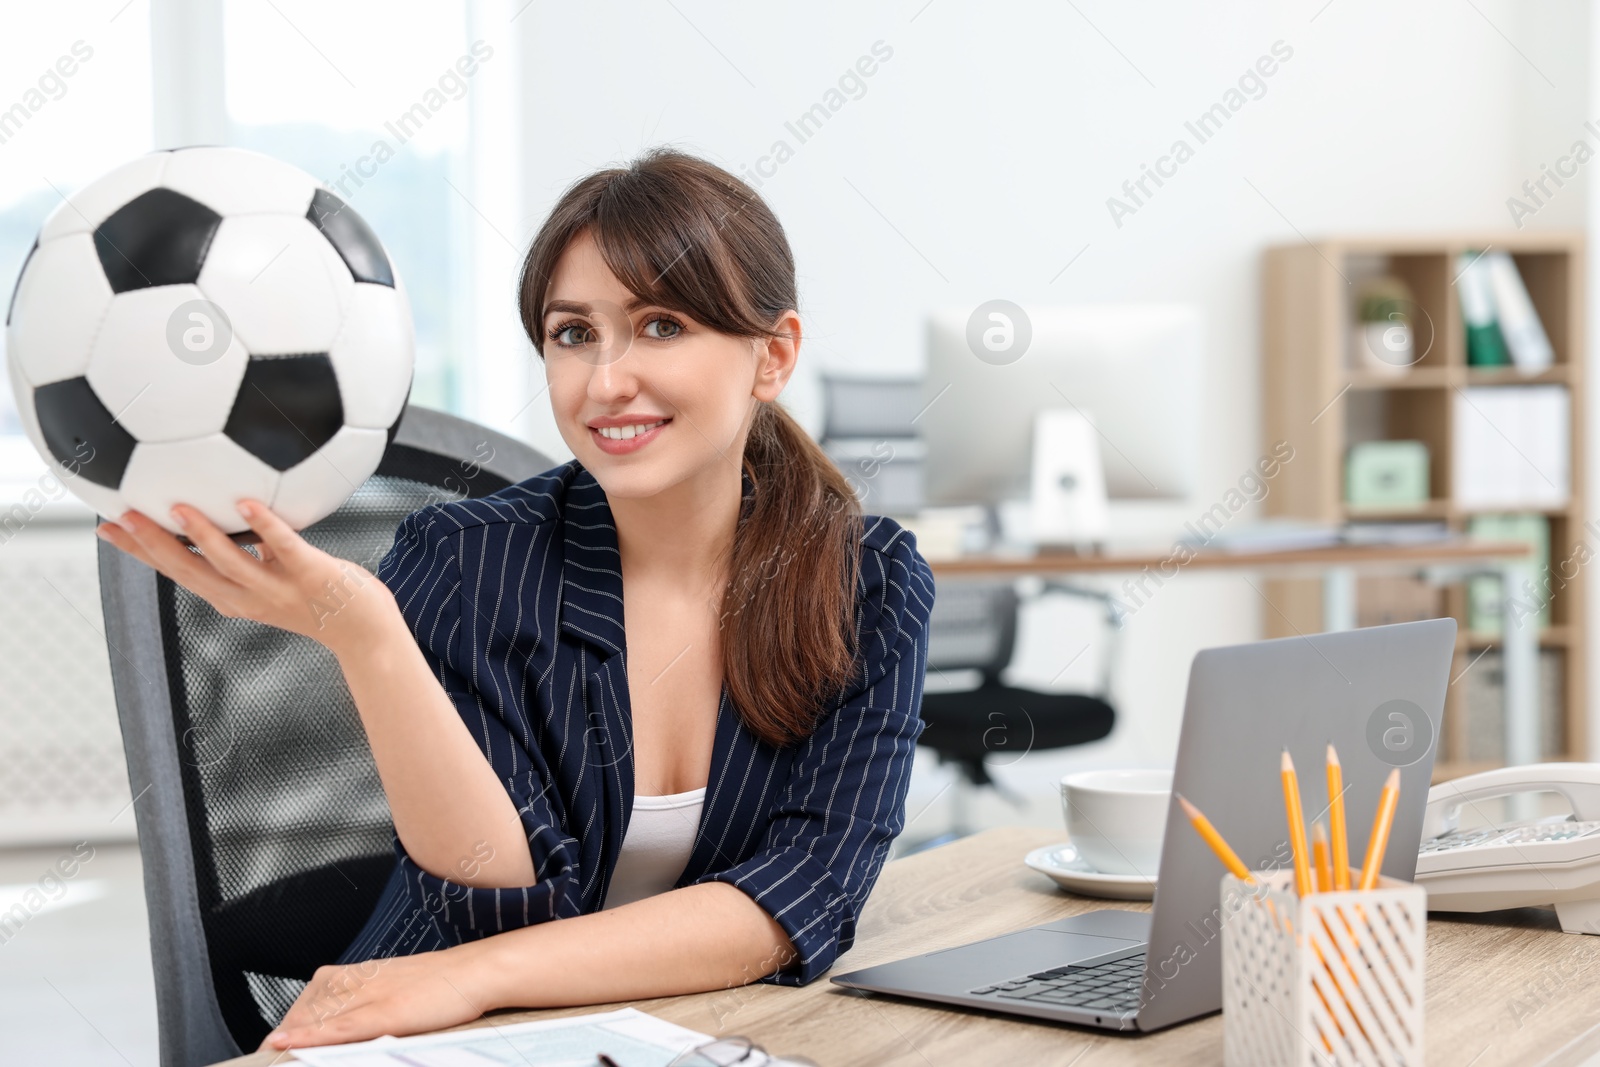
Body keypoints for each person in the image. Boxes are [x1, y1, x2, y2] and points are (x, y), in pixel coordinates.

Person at [94, 146, 935, 1049]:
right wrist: (368, 634)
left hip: (676, 1033)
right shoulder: (464, 559)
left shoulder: (869, 585)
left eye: (661, 326)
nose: (606, 381)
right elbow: (498, 899)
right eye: (574, 333)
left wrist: (472, 978)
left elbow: (805, 898)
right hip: (433, 1042)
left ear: (772, 356)